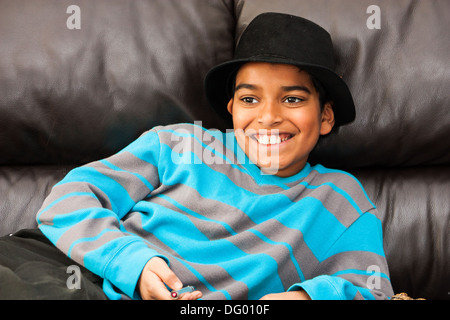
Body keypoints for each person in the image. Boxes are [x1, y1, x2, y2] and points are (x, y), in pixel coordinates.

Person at [0, 13, 393, 300]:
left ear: (325, 116)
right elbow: (67, 200)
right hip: (72, 267)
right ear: (232, 108)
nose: (268, 117)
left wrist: (303, 298)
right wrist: (135, 265)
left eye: (292, 98)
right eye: (250, 99)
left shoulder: (341, 200)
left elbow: (372, 290)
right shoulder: (179, 143)